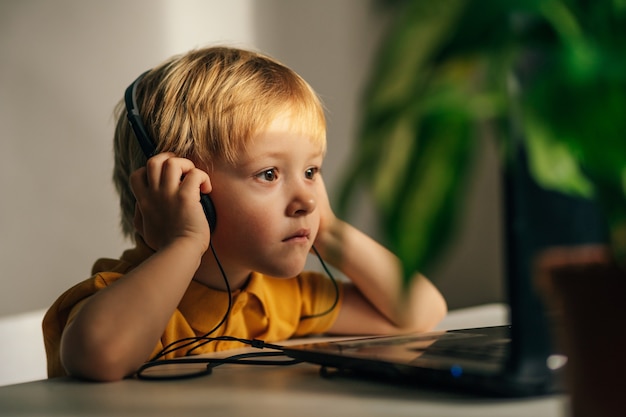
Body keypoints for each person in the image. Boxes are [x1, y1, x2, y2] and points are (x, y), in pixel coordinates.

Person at [42, 46, 447, 382]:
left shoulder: (279, 297)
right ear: (187, 192)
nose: (306, 199)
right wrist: (185, 244)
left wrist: (331, 230)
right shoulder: (112, 301)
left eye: (311, 172)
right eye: (269, 174)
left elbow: (422, 312)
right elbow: (100, 357)